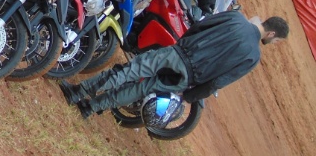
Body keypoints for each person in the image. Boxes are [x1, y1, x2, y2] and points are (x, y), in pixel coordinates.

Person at [59, 11, 289, 118]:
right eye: (276, 40)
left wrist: (183, 42)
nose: (273, 42)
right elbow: (220, 81)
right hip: (189, 78)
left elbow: (202, 25)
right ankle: (91, 107)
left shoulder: (236, 18)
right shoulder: (252, 57)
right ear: (271, 33)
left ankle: (79, 92)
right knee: (140, 89)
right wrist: (190, 96)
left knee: (130, 71)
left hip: (180, 53)